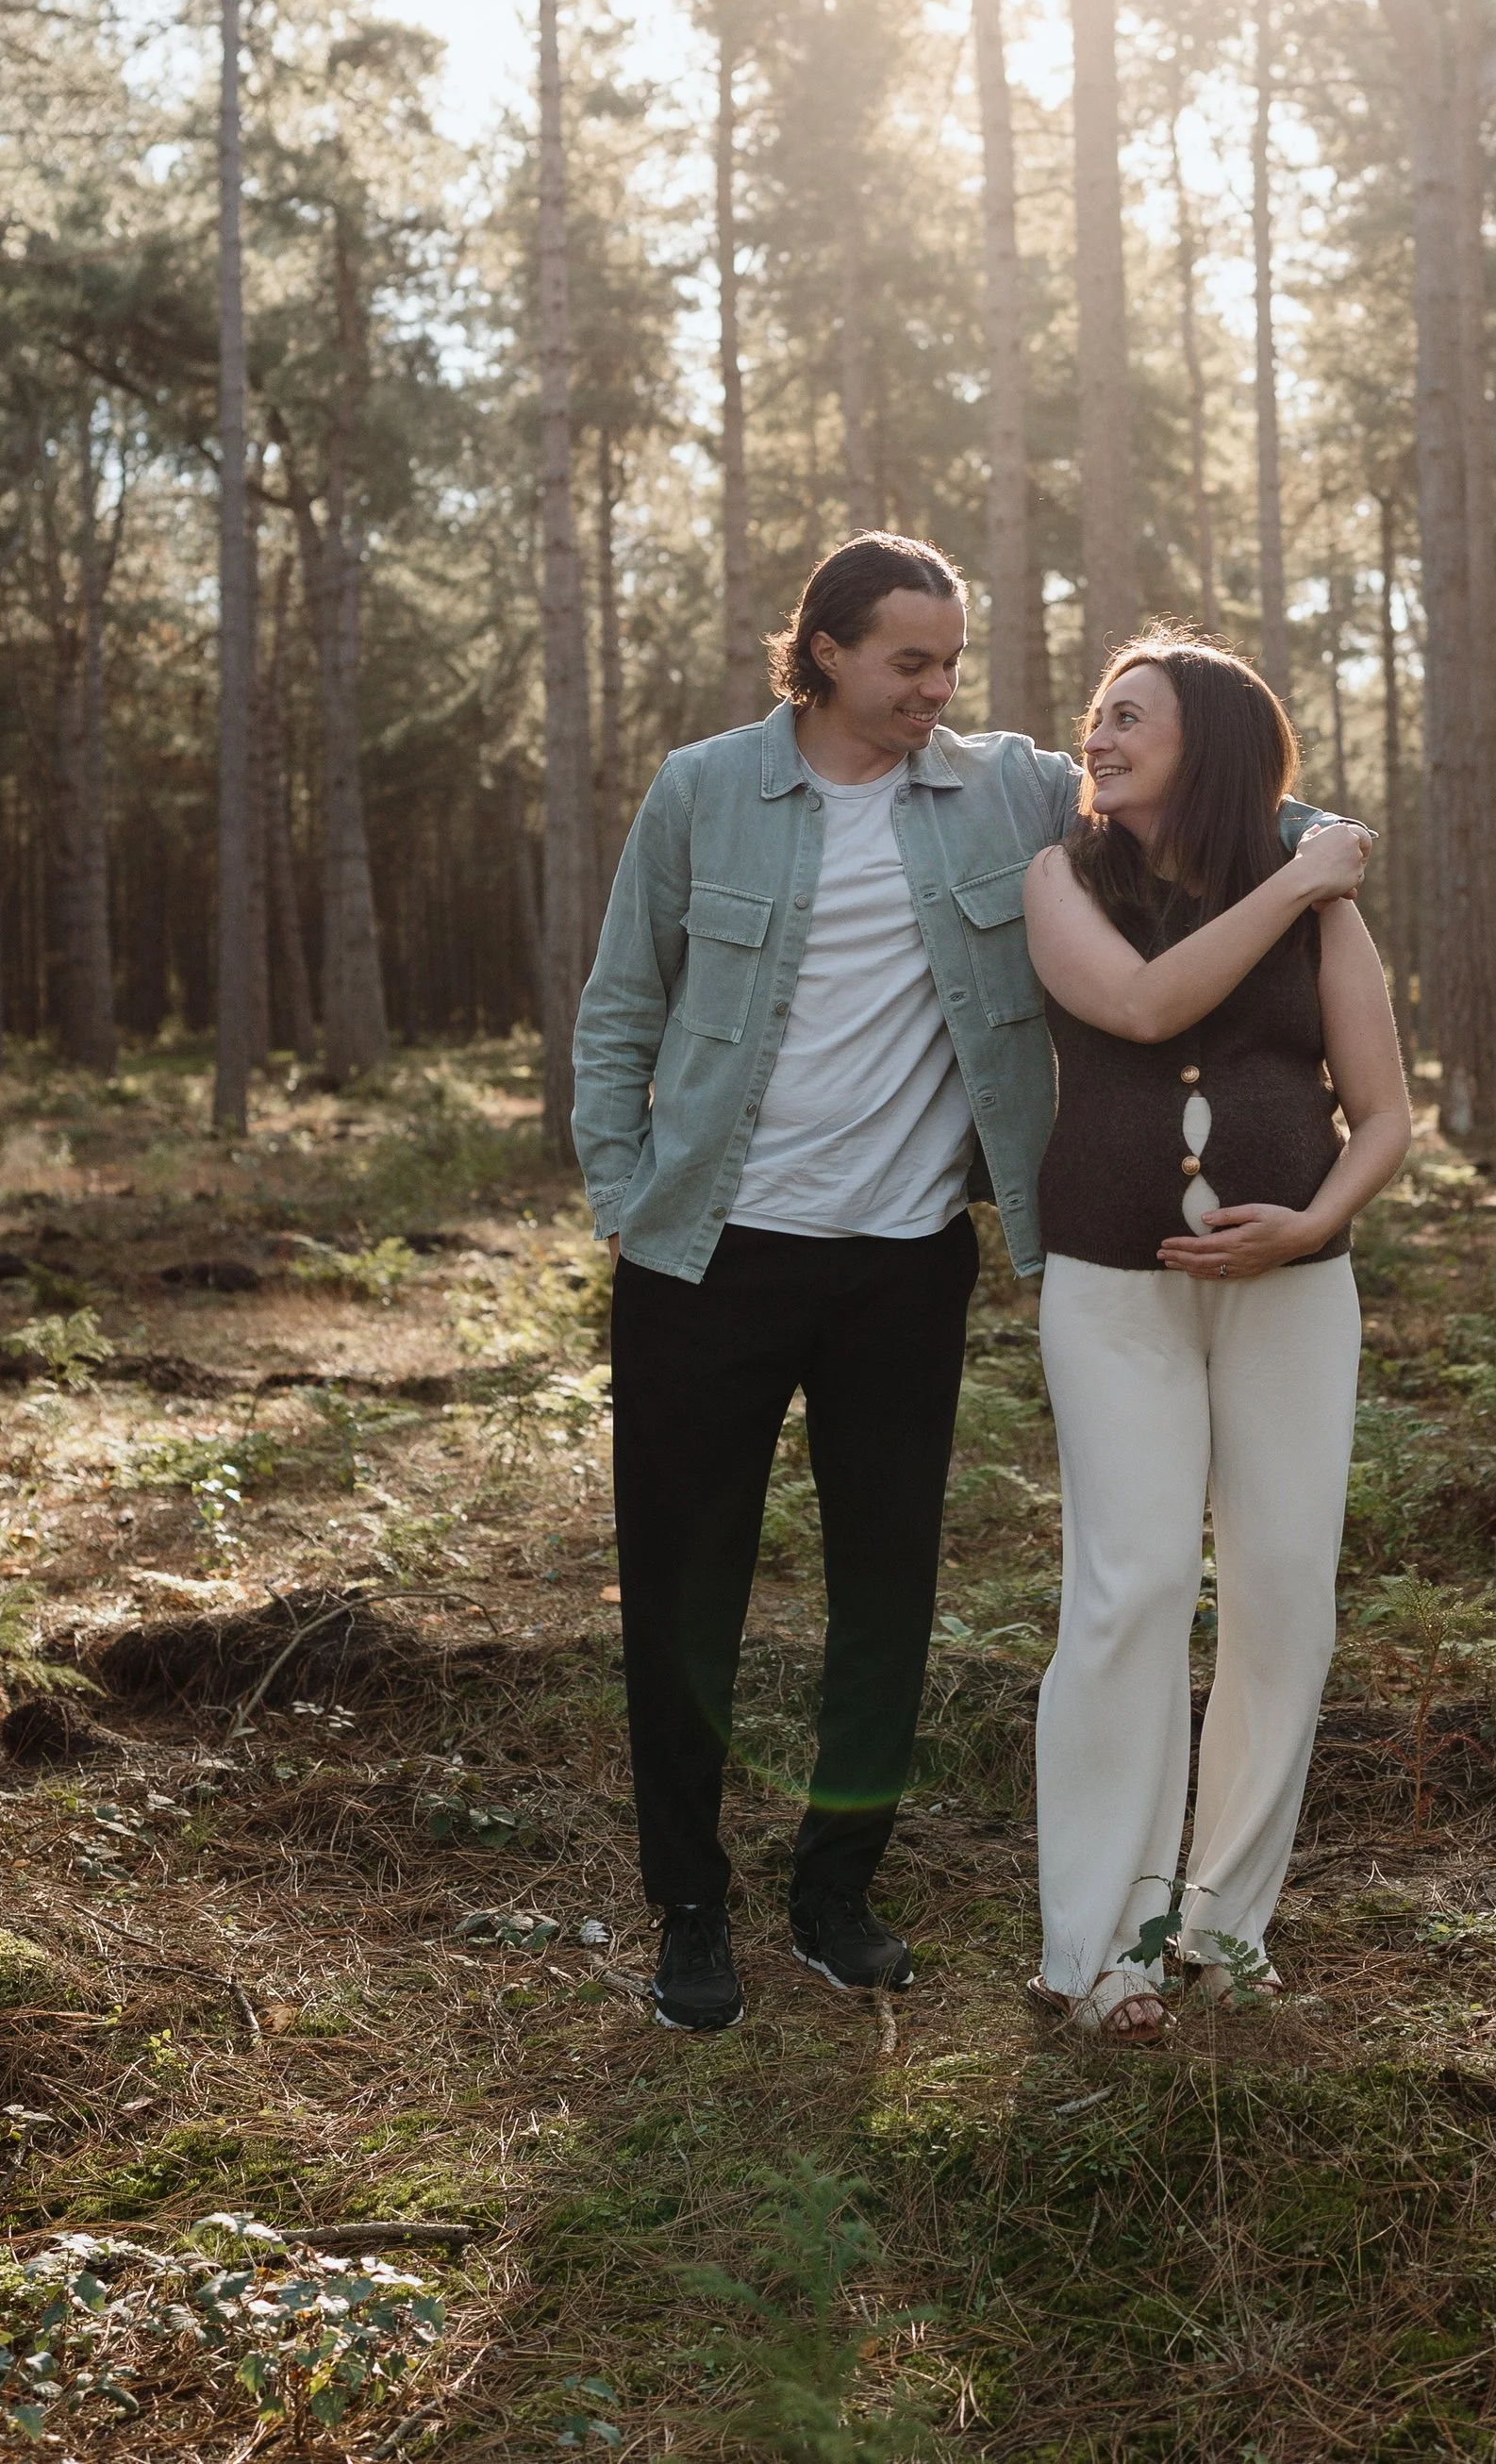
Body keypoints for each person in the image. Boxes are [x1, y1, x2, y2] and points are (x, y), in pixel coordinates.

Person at [572, 537, 1331, 2034]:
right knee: (682, 1597)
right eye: (911, 660)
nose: (939, 687)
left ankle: (834, 1894)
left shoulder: (1000, 787)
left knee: (886, 1595)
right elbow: (619, 1007)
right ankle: (689, 1908)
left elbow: (1191, 777)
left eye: (951, 660)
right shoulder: (704, 790)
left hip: (905, 1264)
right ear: (828, 651)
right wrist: (623, 1195)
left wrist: (1319, 831)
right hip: (706, 1258)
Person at [1019, 633, 1409, 2040]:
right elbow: (1136, 1003)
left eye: (1131, 717)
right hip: (1113, 1287)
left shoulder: (1325, 910)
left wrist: (1310, 1227)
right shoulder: (1065, 877)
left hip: (1293, 1295)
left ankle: (1224, 1928)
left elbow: (1386, 1118)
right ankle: (1102, 1948)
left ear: (1213, 746)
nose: (1099, 736)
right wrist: (1302, 876)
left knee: (1284, 1591)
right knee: (1127, 1590)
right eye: (1098, 716)